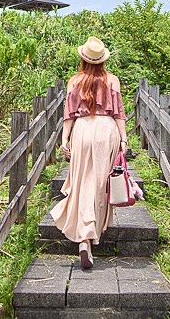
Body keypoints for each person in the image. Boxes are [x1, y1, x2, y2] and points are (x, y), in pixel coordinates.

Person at [50, 36, 128, 270]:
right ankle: (92, 232)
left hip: (83, 130)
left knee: (83, 182)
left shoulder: (74, 81)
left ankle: (84, 238)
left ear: (83, 59)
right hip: (107, 131)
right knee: (99, 185)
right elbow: (119, 114)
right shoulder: (112, 81)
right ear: (102, 60)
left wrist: (65, 139)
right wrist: (124, 139)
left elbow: (69, 114)